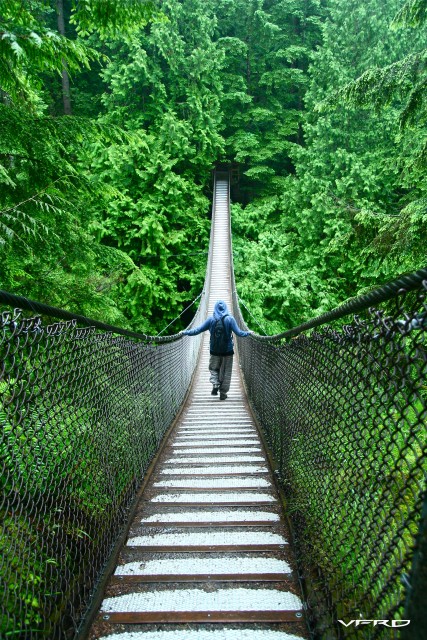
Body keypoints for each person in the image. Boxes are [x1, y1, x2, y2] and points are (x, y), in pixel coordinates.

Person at [182, 300, 251, 400]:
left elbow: (197, 330)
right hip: (228, 351)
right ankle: (223, 393)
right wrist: (248, 333)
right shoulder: (230, 319)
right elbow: (239, 333)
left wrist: (185, 332)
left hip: (214, 350)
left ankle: (215, 384)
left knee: (213, 368)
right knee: (227, 372)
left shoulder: (211, 319)